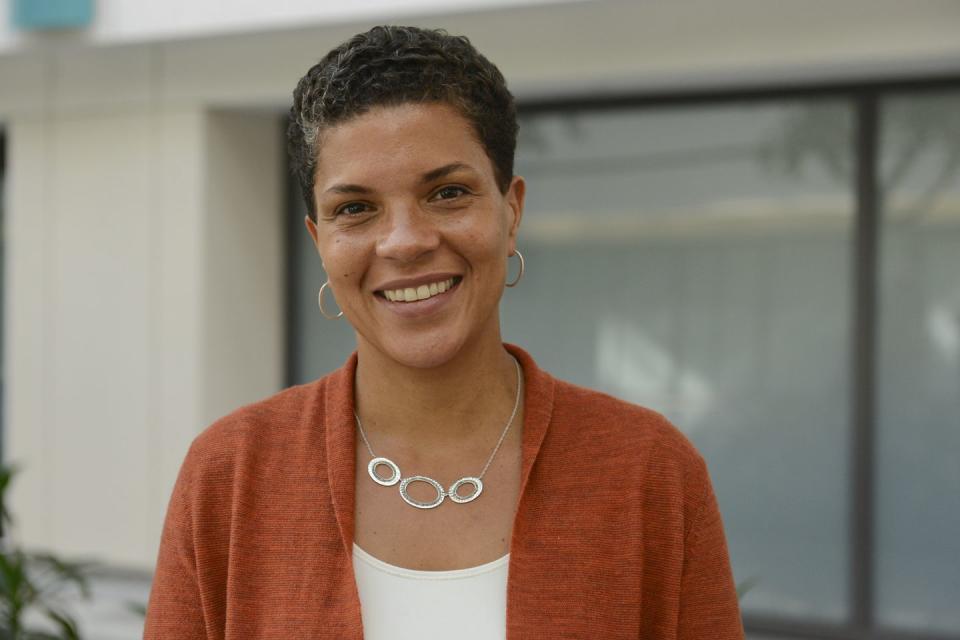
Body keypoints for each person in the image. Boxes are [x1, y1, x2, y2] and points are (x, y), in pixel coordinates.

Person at [144, 25, 744, 640]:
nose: (405, 241)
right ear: (319, 240)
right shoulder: (232, 474)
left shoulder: (647, 472)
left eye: (447, 193)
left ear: (510, 212)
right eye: (355, 208)